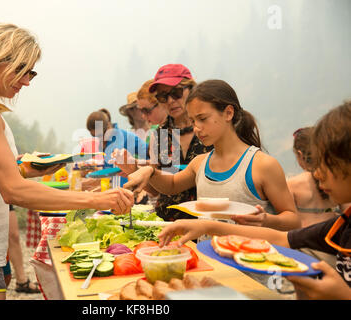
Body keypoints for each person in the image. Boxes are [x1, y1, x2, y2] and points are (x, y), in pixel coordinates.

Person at [0, 23, 134, 300]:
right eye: (24, 71)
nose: (26, 81)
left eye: (31, 74)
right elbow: (13, 191)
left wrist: (28, 168)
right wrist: (98, 200)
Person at [158, 100, 351, 300]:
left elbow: (290, 224)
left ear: (228, 114)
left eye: (328, 163)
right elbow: (282, 239)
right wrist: (207, 227)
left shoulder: (262, 164)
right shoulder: (343, 224)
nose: (317, 174)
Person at [125, 79, 301, 230]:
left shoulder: (262, 165)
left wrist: (266, 220)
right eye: (193, 121)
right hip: (209, 262)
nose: (196, 128)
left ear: (228, 113)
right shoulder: (200, 163)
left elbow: (292, 220)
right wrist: (150, 172)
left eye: (202, 119)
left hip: (245, 265)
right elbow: (171, 185)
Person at [114, 64, 213, 221]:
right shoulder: (159, 136)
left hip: (206, 223)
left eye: (176, 93)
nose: (170, 101)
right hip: (168, 224)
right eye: (163, 97)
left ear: (192, 90)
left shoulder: (211, 128)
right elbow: (155, 190)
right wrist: (133, 170)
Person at [287, 127, 338, 227]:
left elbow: (290, 220)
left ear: (300, 154)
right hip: (333, 235)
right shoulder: (335, 178)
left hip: (305, 237)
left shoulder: (292, 184)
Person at [86, 108, 148, 188]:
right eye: (95, 136)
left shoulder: (128, 138)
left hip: (128, 190)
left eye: (100, 135)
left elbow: (152, 159)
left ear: (108, 126)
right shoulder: (103, 143)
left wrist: (135, 166)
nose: (99, 139)